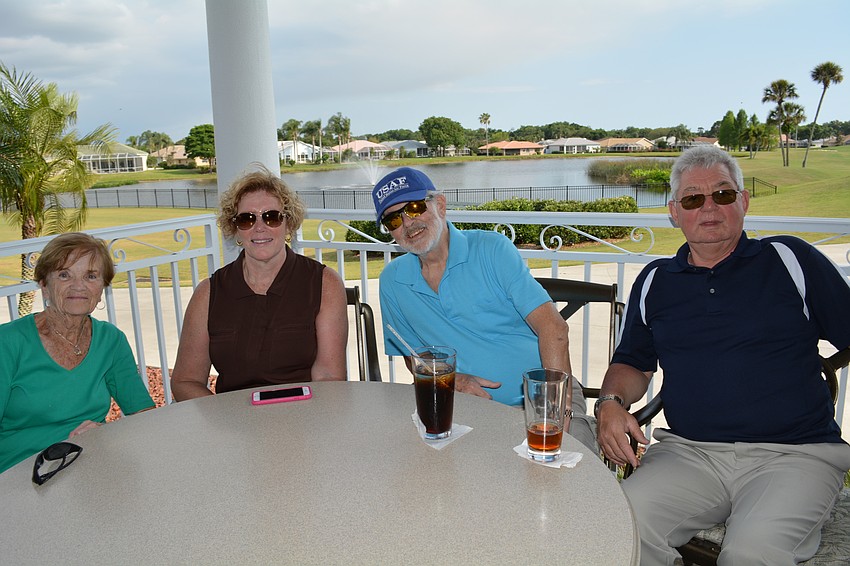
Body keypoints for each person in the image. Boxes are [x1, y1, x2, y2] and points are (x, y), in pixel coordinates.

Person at [596, 145, 850, 565]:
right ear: (674, 212)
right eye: (693, 198)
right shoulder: (656, 280)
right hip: (690, 454)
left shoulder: (789, 260)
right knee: (617, 526)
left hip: (794, 455)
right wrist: (609, 404)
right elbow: (633, 364)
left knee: (751, 553)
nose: (709, 208)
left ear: (744, 202)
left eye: (724, 194)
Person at [372, 167, 596, 451]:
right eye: (393, 219)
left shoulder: (492, 250)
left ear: (439, 205)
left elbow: (554, 328)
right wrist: (455, 381)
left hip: (548, 400)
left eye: (415, 207)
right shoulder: (393, 281)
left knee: (578, 474)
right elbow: (413, 355)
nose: (408, 223)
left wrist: (552, 409)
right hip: (466, 412)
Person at [171, 165, 347, 400]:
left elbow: (328, 377)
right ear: (235, 228)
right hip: (232, 424)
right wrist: (224, 424)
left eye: (271, 217)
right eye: (247, 219)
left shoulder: (324, 283)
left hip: (304, 418)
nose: (259, 227)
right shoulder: (209, 293)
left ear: (288, 224)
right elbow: (186, 380)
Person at [0, 232, 155, 474]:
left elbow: (143, 415)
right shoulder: (8, 342)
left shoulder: (111, 340)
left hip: (85, 464)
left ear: (102, 287)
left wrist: (106, 435)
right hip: (19, 473)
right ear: (44, 285)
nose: (78, 286)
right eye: (64, 275)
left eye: (91, 276)